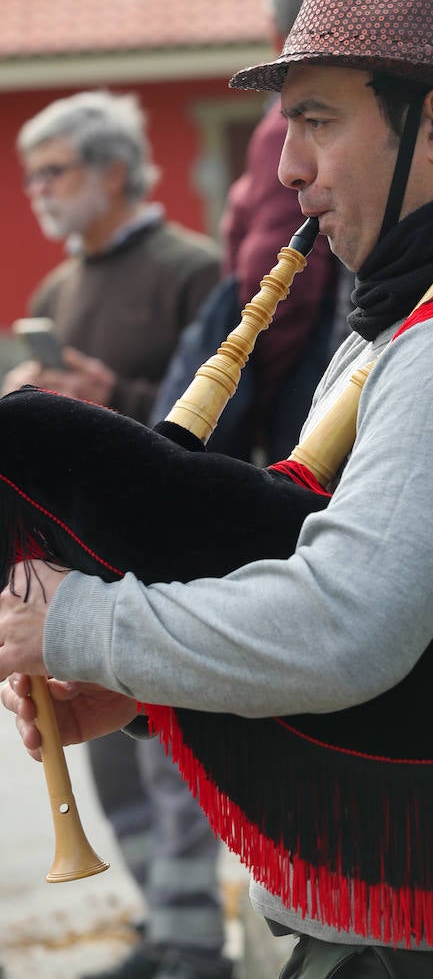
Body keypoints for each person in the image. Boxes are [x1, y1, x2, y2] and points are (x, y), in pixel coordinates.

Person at [0, 0, 433, 978]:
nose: (287, 166)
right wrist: (143, 690)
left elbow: (344, 627)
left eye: (318, 119)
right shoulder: (405, 330)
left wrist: (80, 620)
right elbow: (349, 597)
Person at [1, 90, 233, 979]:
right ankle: (159, 927)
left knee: (174, 775)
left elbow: (221, 427)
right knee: (111, 775)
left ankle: (193, 947)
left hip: (163, 574)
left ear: (109, 171)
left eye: (53, 171)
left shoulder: (192, 267)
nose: (38, 191)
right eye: (30, 176)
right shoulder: (59, 285)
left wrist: (114, 404)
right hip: (71, 572)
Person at [152, 0, 343, 462]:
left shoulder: (286, 127)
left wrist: (252, 396)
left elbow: (281, 281)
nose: (290, 169)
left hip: (303, 383)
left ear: (278, 35)